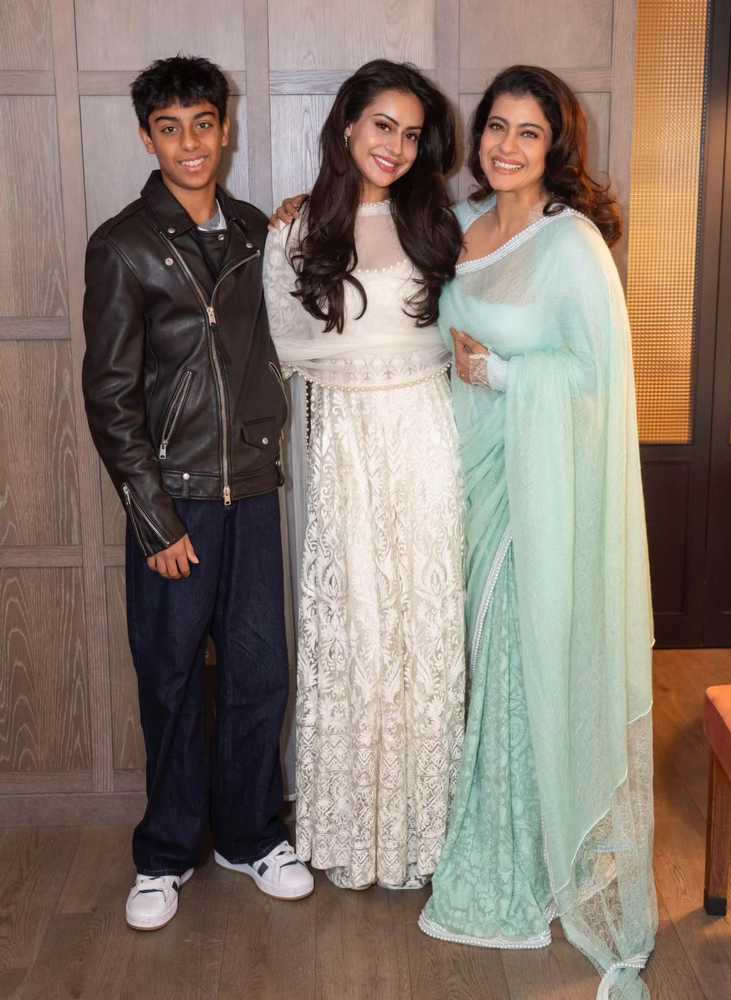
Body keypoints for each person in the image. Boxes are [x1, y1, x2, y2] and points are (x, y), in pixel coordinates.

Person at [416, 66, 657, 999]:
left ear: (556, 147)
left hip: (535, 492)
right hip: (462, 479)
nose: (507, 147)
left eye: (529, 133)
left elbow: (595, 378)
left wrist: (507, 377)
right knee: (474, 662)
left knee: (519, 661)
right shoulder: (463, 226)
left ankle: (523, 846)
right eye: (496, 128)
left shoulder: (573, 243)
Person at [81, 55, 313, 932]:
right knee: (171, 679)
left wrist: (302, 218)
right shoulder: (123, 245)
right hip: (174, 501)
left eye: (203, 124)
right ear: (148, 138)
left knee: (259, 671)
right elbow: (111, 397)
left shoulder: (255, 232)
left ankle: (251, 836)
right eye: (170, 128)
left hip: (251, 489)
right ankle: (164, 854)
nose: (190, 144)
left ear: (226, 128)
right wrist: (154, 520)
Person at [262, 59, 466, 891]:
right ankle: (355, 831)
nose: (396, 146)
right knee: (355, 626)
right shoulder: (295, 232)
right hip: (344, 447)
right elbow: (287, 348)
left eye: (412, 134)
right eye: (383, 125)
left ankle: (427, 831)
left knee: (423, 628)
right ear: (347, 124)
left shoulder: (440, 225)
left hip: (427, 439)